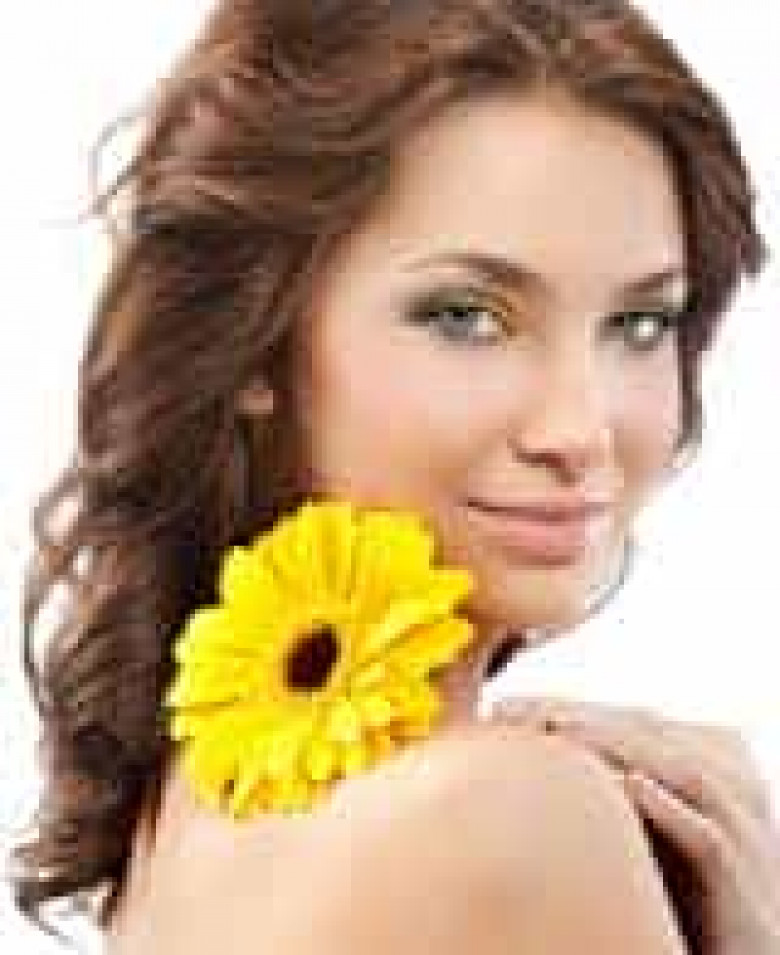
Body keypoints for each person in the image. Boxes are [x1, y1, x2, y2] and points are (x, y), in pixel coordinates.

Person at [9, 0, 776, 952]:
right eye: (467, 316)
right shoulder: (514, 814)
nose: (580, 430)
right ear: (255, 339)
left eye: (640, 323)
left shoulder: (188, 803)